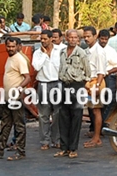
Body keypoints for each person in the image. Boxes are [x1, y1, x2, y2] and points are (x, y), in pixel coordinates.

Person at [0, 37, 31, 161]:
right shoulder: (10, 58)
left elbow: (27, 78)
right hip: (8, 98)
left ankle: (20, 152)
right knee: (5, 125)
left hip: (15, 98)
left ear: (17, 46)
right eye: (8, 46)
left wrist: (18, 88)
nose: (10, 49)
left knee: (19, 125)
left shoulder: (19, 59)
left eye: (13, 46)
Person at [55, 29, 91, 158]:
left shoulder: (81, 53)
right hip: (64, 85)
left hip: (77, 85)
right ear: (66, 38)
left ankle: (73, 148)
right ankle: (64, 147)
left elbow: (88, 72)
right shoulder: (62, 52)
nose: (73, 40)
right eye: (70, 37)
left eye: (75, 38)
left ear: (78, 39)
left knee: (76, 117)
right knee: (63, 117)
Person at [32, 30, 62, 150]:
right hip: (43, 84)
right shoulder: (37, 53)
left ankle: (57, 139)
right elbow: (37, 67)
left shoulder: (59, 51)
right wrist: (44, 55)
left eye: (45, 39)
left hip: (57, 83)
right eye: (41, 39)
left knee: (57, 114)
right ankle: (45, 140)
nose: (43, 41)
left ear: (51, 39)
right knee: (43, 115)